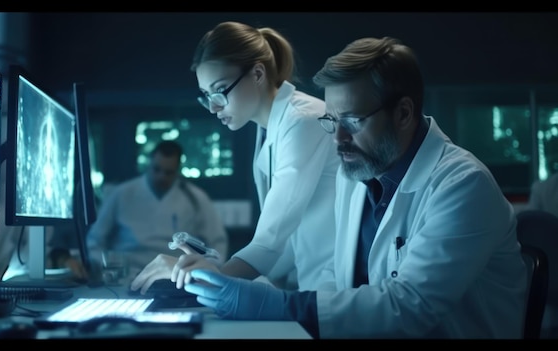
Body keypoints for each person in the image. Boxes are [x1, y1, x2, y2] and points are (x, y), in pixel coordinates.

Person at [182, 36, 528, 339]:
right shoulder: (358, 174)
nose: (339, 139)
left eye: (352, 121)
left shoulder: (463, 186)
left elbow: (410, 307)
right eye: (332, 121)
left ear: (404, 113)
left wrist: (279, 305)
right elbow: (338, 275)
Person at [130, 21, 339, 294]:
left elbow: (270, 239)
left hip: (335, 288)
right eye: (206, 96)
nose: (214, 106)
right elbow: (280, 243)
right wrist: (210, 268)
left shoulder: (304, 120)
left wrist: (212, 275)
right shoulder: (268, 128)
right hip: (306, 285)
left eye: (220, 90)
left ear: (257, 73)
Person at [66, 140, 229, 282]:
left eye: (168, 172)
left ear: (178, 169)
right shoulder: (122, 193)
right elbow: (95, 240)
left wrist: (205, 271)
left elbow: (217, 243)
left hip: (176, 277)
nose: (161, 177)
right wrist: (103, 269)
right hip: (126, 276)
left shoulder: (196, 199)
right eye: (156, 169)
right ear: (149, 164)